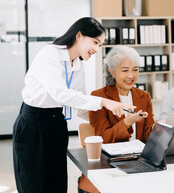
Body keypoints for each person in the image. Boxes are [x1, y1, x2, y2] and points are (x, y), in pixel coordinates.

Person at [12, 17, 134, 193]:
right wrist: (104, 101)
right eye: (95, 42)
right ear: (79, 36)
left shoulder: (77, 64)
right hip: (33, 124)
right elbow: (60, 93)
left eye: (100, 45)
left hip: (56, 124)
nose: (97, 50)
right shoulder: (50, 54)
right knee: (34, 185)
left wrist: (112, 121)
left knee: (57, 185)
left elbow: (80, 105)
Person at [78, 46, 155, 193]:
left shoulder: (143, 96)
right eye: (125, 70)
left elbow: (147, 136)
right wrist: (127, 122)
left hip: (137, 163)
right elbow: (103, 138)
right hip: (108, 163)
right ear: (112, 71)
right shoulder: (99, 97)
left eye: (135, 69)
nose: (131, 75)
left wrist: (158, 129)